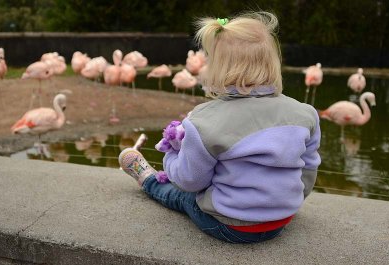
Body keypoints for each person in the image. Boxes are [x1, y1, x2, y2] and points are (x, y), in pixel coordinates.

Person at [119, 11, 321, 243]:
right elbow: (309, 169)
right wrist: (285, 201)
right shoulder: (305, 114)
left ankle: (149, 179)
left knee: (182, 196)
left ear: (215, 68)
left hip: (229, 226)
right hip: (281, 220)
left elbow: (189, 181)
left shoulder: (204, 121)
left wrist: (174, 153)